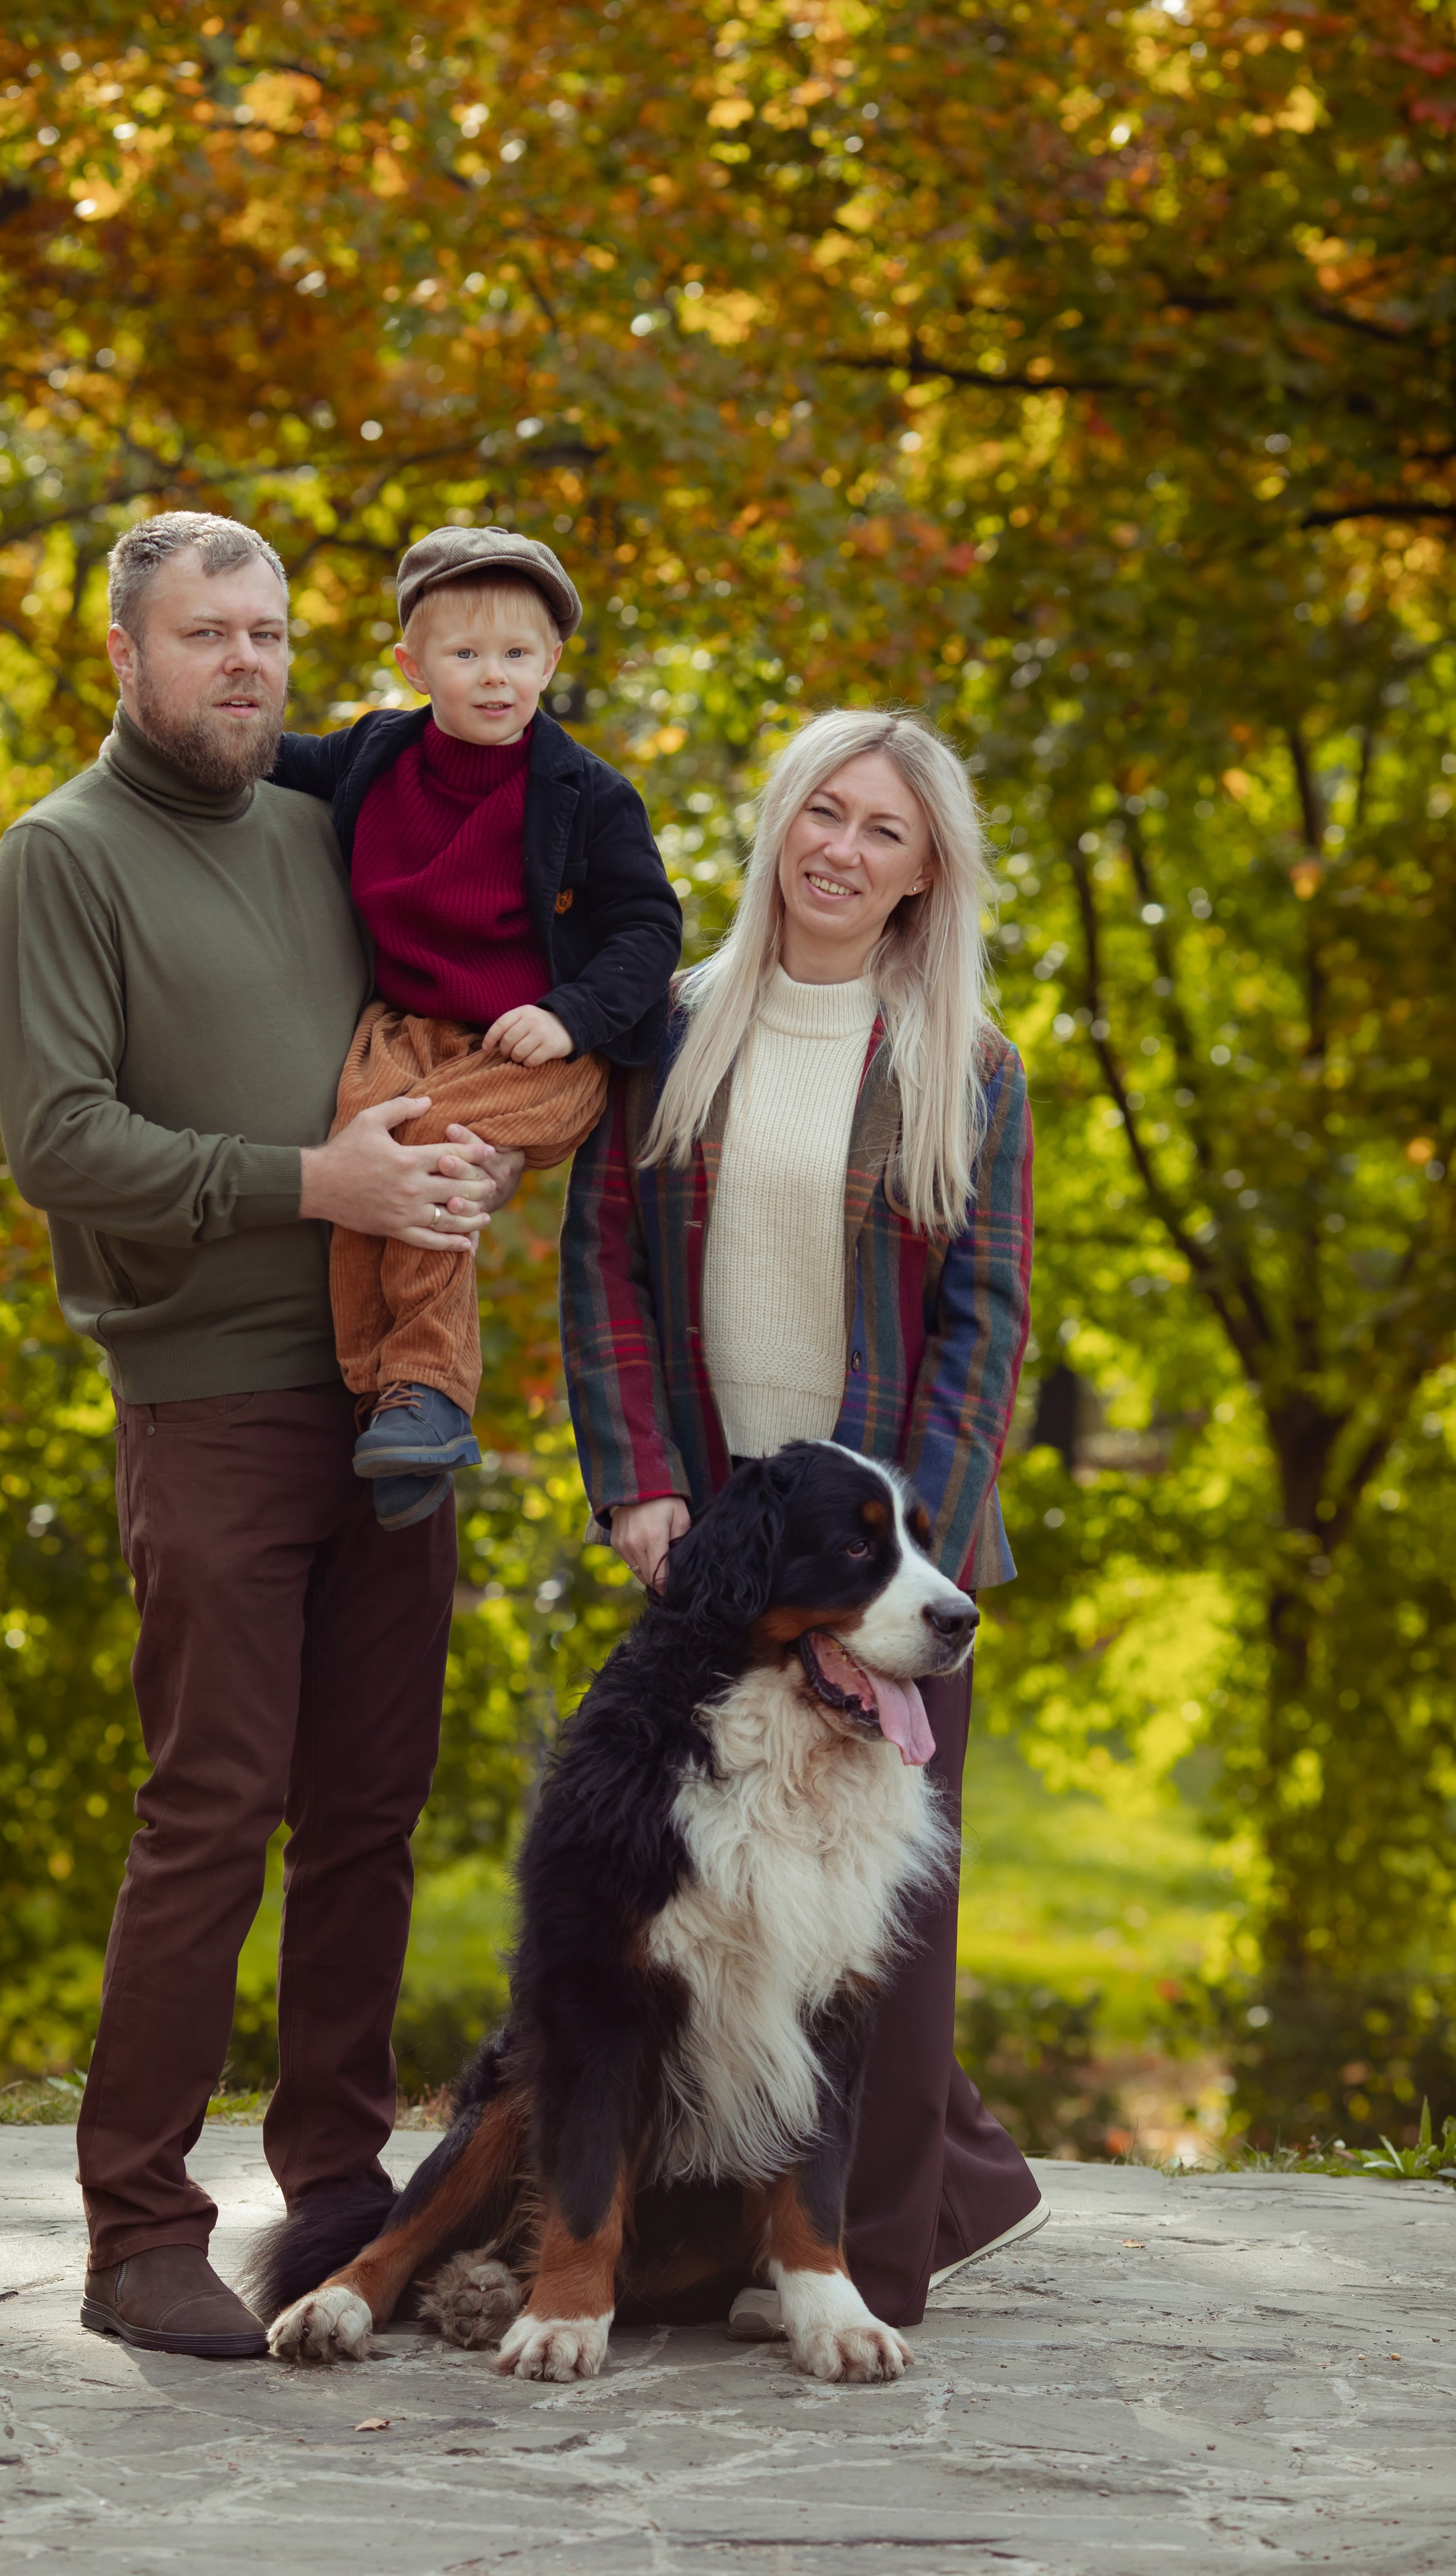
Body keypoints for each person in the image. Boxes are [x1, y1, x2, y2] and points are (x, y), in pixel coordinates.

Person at [0, 511, 526, 2359]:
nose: (246, 665)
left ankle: (338, 2196)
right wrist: (316, 1179)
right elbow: (59, 1142)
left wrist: (460, 1155)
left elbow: (427, 1032)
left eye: (272, 635)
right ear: (122, 658)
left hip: (396, 1399)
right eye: (206, 635)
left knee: (370, 1816)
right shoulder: (63, 856)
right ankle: (138, 2230)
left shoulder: (327, 826)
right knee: (212, 1813)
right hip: (207, 1398)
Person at [560, 706, 1047, 2332]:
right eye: (820, 813)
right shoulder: (673, 1030)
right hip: (715, 1546)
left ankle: (872, 2268)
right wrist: (636, 1480)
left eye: (882, 833)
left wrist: (907, 1553)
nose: (840, 850)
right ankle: (746, 2226)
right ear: (778, 821)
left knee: (876, 1929)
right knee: (705, 1894)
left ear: (922, 878)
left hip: (892, 1560)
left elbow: (986, 1323)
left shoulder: (964, 1068)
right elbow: (606, 1277)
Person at [270, 526, 682, 1529]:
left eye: (517, 655)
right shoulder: (378, 752)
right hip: (409, 1029)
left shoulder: (586, 793)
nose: (494, 678)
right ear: (414, 665)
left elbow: (647, 925)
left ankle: (431, 1384)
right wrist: (174, 734)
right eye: (464, 655)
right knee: (361, 1145)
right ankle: (386, 1401)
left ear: (551, 660)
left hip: (538, 1047)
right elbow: (271, 760)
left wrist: (569, 1011)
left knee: (423, 1144)